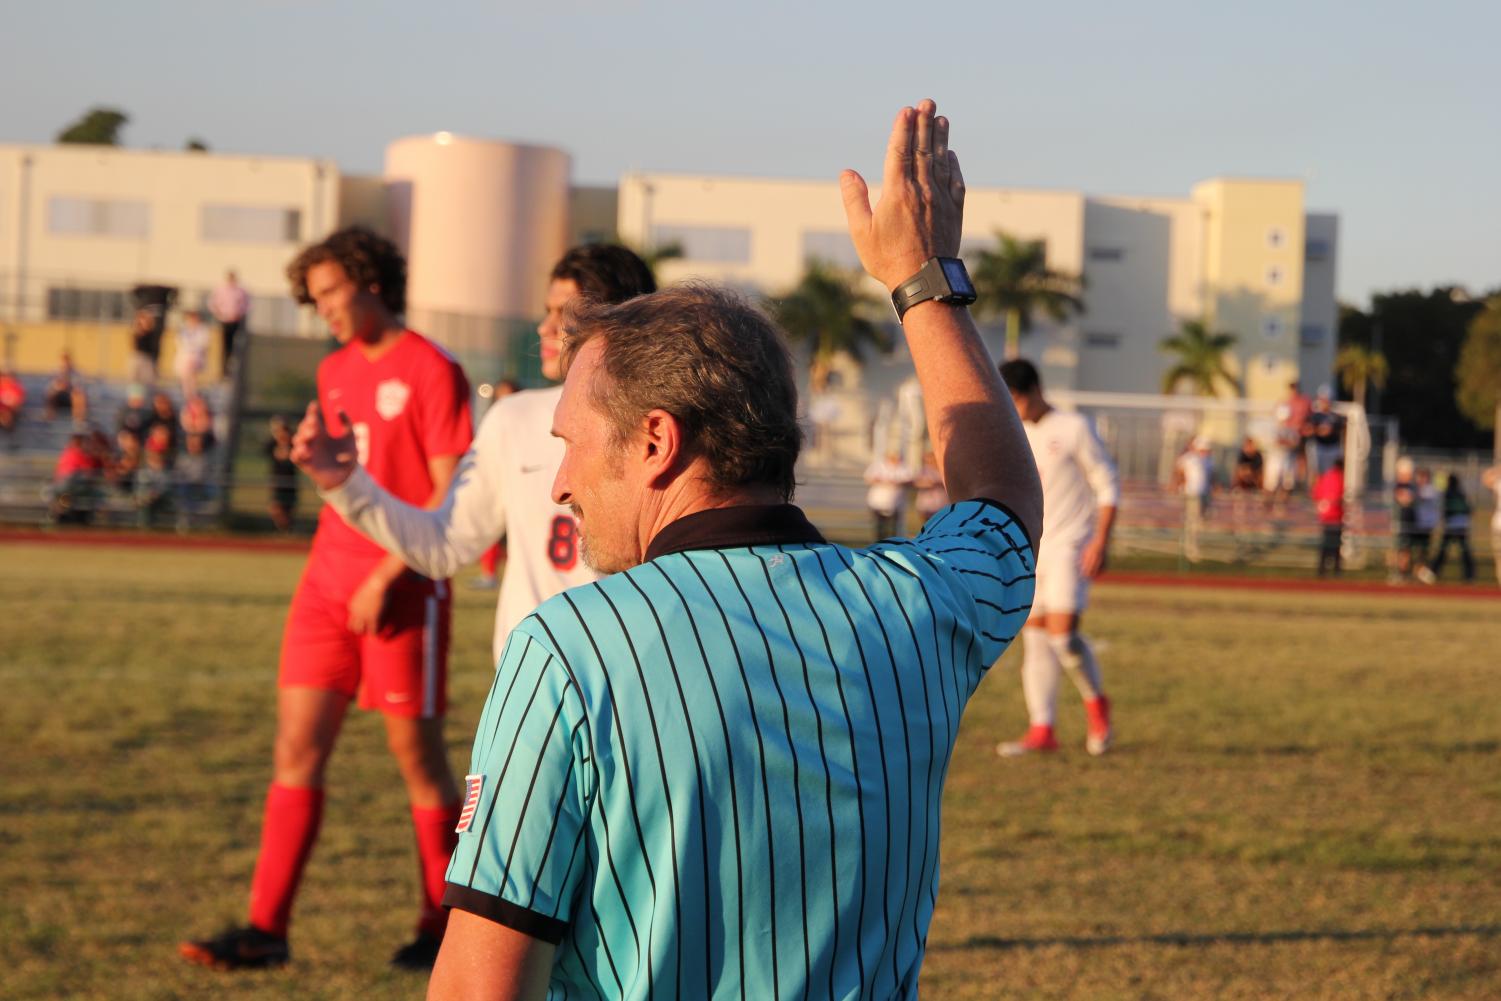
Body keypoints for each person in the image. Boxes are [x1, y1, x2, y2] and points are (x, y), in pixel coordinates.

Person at [424, 99, 1043, 1001]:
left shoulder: (568, 646)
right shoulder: (920, 605)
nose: (558, 482)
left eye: (569, 442)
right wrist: (922, 280)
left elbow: (480, 987)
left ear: (655, 442)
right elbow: (1002, 504)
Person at [180, 226, 474, 972]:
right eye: (314, 301)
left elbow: (448, 496)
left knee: (418, 757)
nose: (325, 312)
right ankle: (266, 928)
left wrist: (388, 574)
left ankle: (442, 925)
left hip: (403, 588)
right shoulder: (334, 370)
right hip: (324, 585)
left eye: (332, 294)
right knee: (295, 749)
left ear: (372, 279)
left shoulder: (434, 369)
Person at [294, 244, 656, 666]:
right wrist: (345, 484)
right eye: (547, 311)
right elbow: (444, 544)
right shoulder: (513, 418)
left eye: (564, 315)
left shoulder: (662, 429)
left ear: (621, 321)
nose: (545, 328)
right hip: (530, 676)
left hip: (632, 672)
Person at [994, 359, 1119, 758]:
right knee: (1034, 640)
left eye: (1014, 399)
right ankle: (1042, 728)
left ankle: (1097, 704)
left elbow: (1107, 485)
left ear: (1032, 391)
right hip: (1034, 547)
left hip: (1071, 544)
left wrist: (1101, 539)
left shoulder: (1074, 428)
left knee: (1063, 636)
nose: (1012, 409)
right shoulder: (1014, 433)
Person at [1425, 472, 1475, 582]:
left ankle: (1433, 573)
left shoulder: (1449, 494)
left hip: (1453, 526)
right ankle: (1470, 575)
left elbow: (1447, 510)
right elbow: (1469, 509)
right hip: (1462, 526)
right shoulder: (1461, 494)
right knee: (1463, 552)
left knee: (1444, 551)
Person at [1175, 436, 1214, 563]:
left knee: (1203, 519)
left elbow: (1210, 476)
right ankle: (1191, 548)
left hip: (1204, 494)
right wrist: (1181, 483)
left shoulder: (1207, 460)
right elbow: (1179, 470)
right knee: (1193, 522)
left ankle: (1195, 544)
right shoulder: (1189, 458)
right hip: (1192, 493)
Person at [863, 448, 913, 539]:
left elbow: (910, 480)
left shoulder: (903, 467)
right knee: (880, 524)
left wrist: (898, 482)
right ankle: (879, 543)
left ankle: (892, 542)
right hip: (879, 501)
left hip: (897, 501)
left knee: (894, 525)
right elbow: (869, 478)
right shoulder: (878, 466)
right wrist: (885, 482)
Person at [210, 270, 250, 378]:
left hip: (236, 321)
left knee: (235, 344)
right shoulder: (221, 290)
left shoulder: (240, 291)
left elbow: (246, 304)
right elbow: (213, 304)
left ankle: (233, 366)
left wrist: (239, 314)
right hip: (224, 320)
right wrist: (220, 315)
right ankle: (224, 369)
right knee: (224, 345)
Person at [1312, 457, 1345, 576]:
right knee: (1335, 544)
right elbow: (1340, 495)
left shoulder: (1325, 476)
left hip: (1325, 516)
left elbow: (1315, 493)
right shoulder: (1340, 478)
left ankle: (1322, 569)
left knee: (1326, 543)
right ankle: (1336, 570)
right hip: (1335, 516)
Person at [266, 416, 298, 533]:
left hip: (290, 482)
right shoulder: (272, 444)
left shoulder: (293, 444)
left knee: (288, 509)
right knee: (276, 508)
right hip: (277, 482)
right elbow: (268, 451)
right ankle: (282, 529)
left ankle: (286, 529)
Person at [174, 309, 212, 398]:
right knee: (185, 375)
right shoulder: (183, 330)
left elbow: (204, 343)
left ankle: (193, 394)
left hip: (197, 356)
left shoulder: (203, 329)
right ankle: (187, 394)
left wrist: (193, 349)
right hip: (185, 355)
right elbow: (180, 342)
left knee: (192, 374)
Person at [0, 367, 25, 445]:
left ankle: (11, 439)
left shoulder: (16, 387)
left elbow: (18, 402)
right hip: (2, 411)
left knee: (8, 414)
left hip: (13, 412)